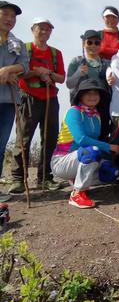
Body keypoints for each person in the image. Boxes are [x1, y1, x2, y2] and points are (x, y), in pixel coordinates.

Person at [10, 17, 65, 194]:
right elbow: (17, 73)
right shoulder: (24, 49)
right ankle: (18, 178)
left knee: (50, 138)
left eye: (48, 29)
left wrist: (48, 73)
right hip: (28, 97)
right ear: (33, 29)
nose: (44, 32)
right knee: (23, 138)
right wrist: (37, 72)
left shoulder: (56, 53)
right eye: (41, 28)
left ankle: (44, 177)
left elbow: (61, 78)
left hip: (50, 98)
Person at [51, 79, 119, 208]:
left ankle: (76, 179)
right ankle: (77, 194)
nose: (93, 96)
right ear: (80, 95)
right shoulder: (74, 112)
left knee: (111, 172)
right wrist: (109, 147)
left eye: (96, 93)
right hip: (61, 161)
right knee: (92, 151)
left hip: (79, 158)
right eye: (88, 93)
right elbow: (81, 140)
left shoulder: (96, 115)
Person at [0, 1, 29, 201]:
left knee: (0, 145)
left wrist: (8, 70)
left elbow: (25, 66)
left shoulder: (17, 43)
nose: (10, 19)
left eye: (13, 16)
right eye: (5, 14)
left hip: (8, 101)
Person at [66, 30, 112, 140]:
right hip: (82, 106)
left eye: (97, 43)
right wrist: (78, 73)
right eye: (89, 42)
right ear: (83, 44)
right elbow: (69, 84)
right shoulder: (76, 61)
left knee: (102, 133)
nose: (93, 46)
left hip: (102, 105)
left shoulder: (107, 63)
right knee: (82, 134)